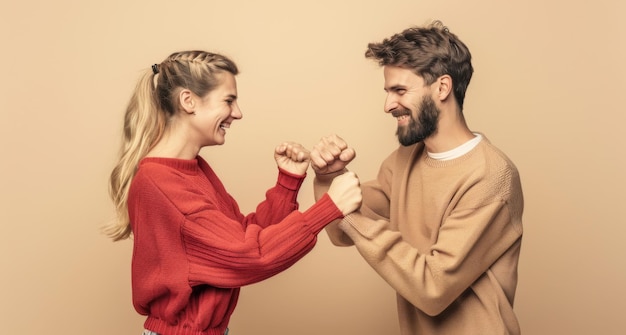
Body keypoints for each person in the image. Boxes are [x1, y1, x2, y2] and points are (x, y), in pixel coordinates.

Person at [104, 50, 362, 335]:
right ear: (188, 101)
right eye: (229, 100)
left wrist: (288, 181)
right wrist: (329, 208)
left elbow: (242, 236)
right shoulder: (161, 182)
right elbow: (251, 256)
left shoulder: (191, 169)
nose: (238, 113)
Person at [310, 21, 524, 335]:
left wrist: (346, 211)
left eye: (399, 90)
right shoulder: (404, 161)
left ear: (442, 88)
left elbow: (433, 288)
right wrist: (330, 177)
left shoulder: (491, 177)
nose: (387, 106)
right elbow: (343, 231)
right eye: (387, 91)